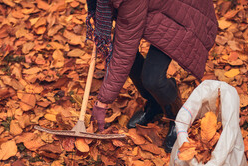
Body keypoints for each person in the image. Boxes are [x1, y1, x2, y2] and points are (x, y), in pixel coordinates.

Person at [88, 0, 218, 153]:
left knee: (152, 79)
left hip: (184, 15)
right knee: (127, 59)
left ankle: (178, 117)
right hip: (160, 9)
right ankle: (155, 104)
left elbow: (124, 50)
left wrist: (103, 101)